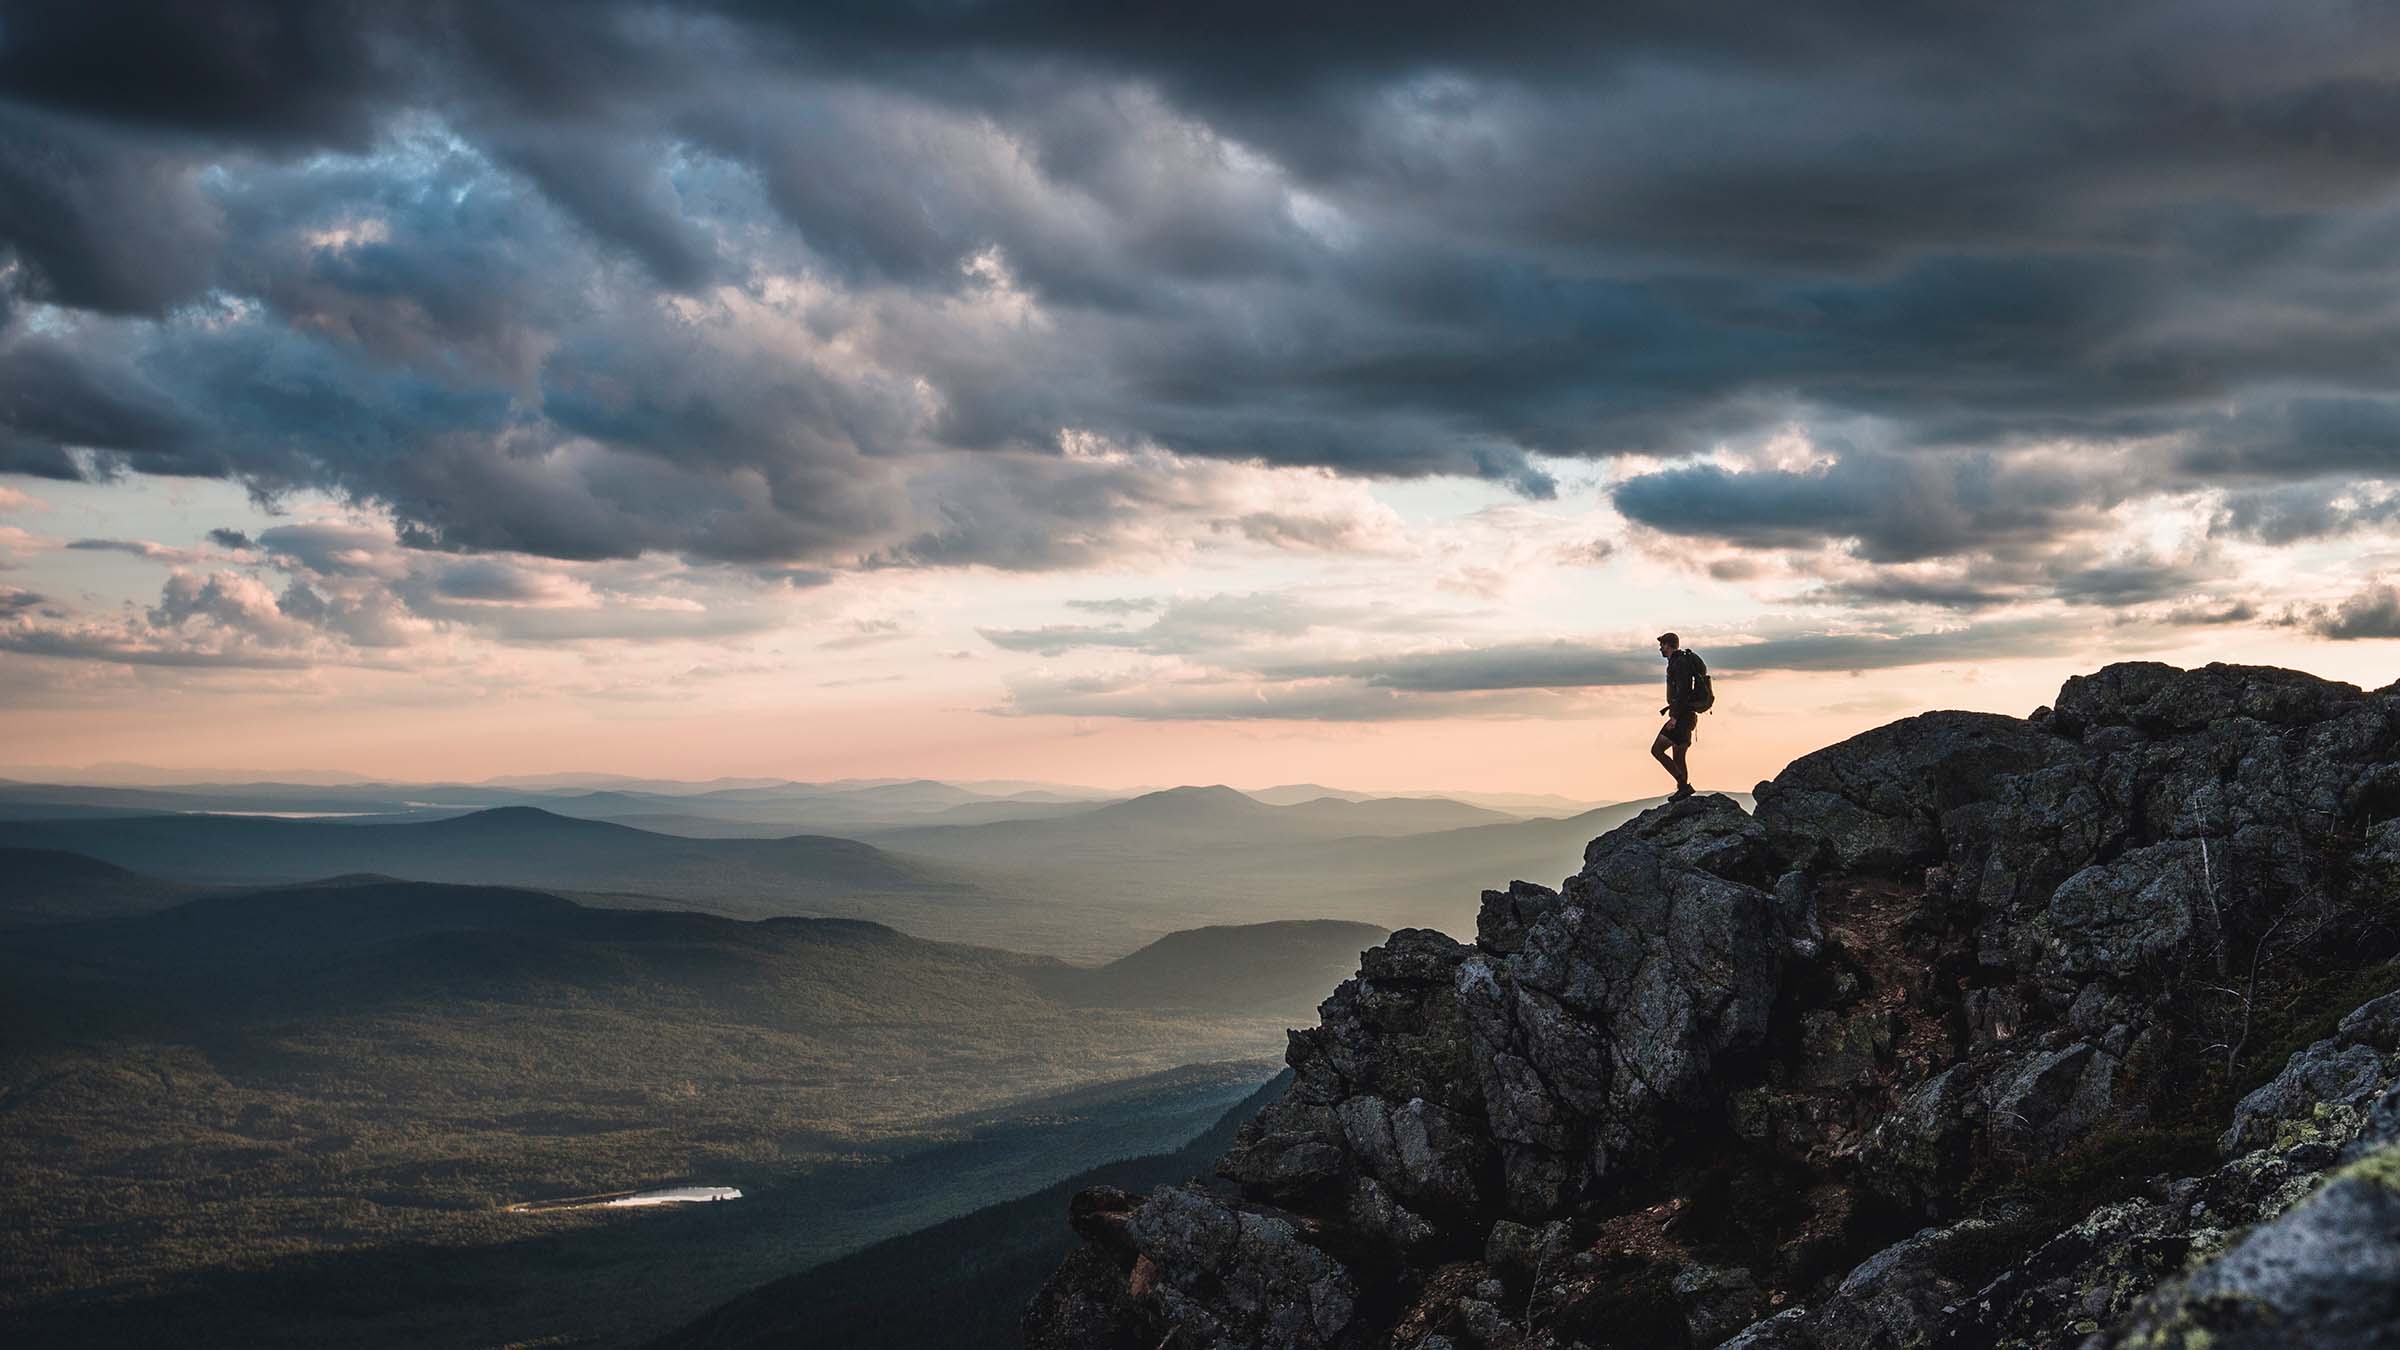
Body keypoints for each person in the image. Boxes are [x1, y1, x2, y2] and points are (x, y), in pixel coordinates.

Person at [1651, 631, 1700, 801]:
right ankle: (1683, 793)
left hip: (1682, 717)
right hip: (1688, 716)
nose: (1660, 649)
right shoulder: (1679, 662)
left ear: (1669, 645)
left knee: (1657, 750)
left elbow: (1683, 691)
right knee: (1678, 757)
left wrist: (1674, 717)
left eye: (1662, 645)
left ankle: (1684, 786)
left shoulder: (1679, 663)